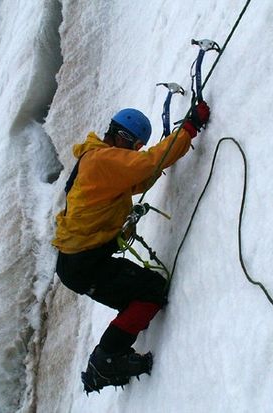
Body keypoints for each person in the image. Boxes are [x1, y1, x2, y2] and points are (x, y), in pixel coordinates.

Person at [52, 100, 210, 393]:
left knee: (143, 291)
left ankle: (126, 330)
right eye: (136, 146)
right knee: (150, 292)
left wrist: (167, 153)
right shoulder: (102, 161)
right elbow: (148, 164)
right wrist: (190, 128)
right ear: (126, 139)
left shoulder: (97, 159)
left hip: (82, 260)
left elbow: (138, 177)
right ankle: (105, 362)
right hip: (84, 265)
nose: (136, 152)